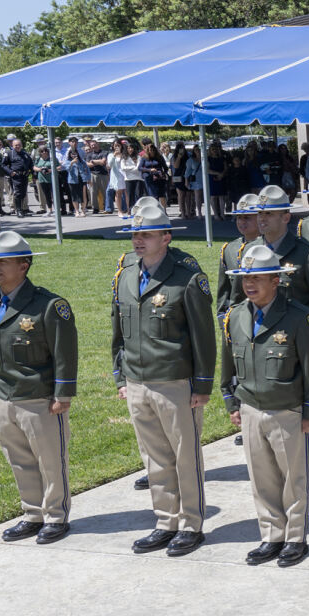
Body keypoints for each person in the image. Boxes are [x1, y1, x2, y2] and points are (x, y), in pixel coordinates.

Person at [110, 201, 215, 557]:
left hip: (175, 381)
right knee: (154, 456)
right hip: (138, 380)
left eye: (147, 234)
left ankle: (190, 524)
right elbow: (118, 332)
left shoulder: (187, 278)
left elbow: (203, 336)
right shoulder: (124, 275)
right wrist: (120, 377)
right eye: (135, 234)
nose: (139, 241)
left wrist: (202, 385)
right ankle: (165, 520)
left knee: (185, 455)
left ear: (166, 237)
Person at [221, 242, 309, 566]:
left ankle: (295, 538)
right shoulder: (235, 317)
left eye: (258, 278)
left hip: (288, 411)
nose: (249, 284)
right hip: (252, 408)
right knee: (262, 479)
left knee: (294, 479)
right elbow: (228, 364)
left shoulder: (299, 318)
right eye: (244, 278)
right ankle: (271, 535)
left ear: (276, 281)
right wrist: (231, 402)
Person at [0, 232, 78, 544]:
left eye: (2, 261)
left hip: (39, 399)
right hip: (3, 397)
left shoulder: (49, 306)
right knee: (18, 458)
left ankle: (56, 517)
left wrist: (63, 394)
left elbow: (64, 353)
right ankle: (32, 514)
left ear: (24, 265)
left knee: (50, 459)